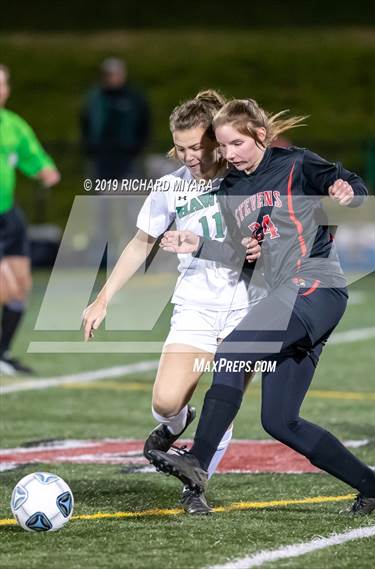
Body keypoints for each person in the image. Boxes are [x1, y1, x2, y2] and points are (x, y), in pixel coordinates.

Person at [148, 98, 375, 516]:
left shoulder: (297, 164)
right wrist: (206, 245)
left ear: (260, 136)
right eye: (223, 146)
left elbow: (353, 186)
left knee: (233, 351)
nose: (228, 154)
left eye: (236, 144)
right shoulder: (230, 188)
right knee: (280, 421)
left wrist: (347, 192)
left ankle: (197, 461)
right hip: (286, 297)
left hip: (315, 286)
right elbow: (242, 253)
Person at [82, 91, 264, 515]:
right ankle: (178, 425)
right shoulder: (170, 186)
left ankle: (195, 486)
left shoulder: (248, 178)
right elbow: (140, 243)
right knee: (165, 403)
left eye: (195, 148)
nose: (187, 157)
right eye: (180, 148)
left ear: (217, 141)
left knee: (225, 400)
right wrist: (102, 299)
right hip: (195, 307)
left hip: (248, 308)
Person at [0, 64, 60, 375]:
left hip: (8, 215)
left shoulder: (12, 124)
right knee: (5, 288)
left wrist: (45, 170)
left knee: (21, 287)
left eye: (3, 84)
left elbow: (31, 155)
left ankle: (3, 353)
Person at [81, 57, 151, 180]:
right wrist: (90, 145)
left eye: (114, 74)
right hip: (100, 156)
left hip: (128, 156)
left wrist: (138, 146)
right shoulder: (96, 97)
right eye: (107, 74)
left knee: (129, 191)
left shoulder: (134, 98)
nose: (110, 78)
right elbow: (85, 122)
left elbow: (144, 121)